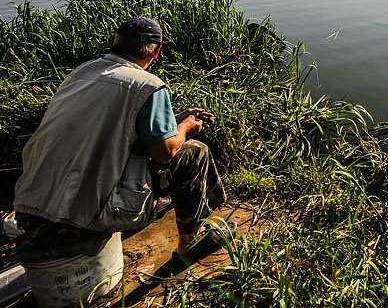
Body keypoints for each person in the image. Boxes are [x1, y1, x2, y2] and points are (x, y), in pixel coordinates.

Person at [14, 17, 232, 261]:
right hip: (84, 214)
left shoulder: (83, 71)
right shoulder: (149, 85)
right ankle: (191, 244)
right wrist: (185, 128)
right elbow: (164, 152)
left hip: (29, 204)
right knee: (196, 152)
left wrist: (173, 119)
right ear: (157, 51)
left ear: (114, 42)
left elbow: (111, 124)